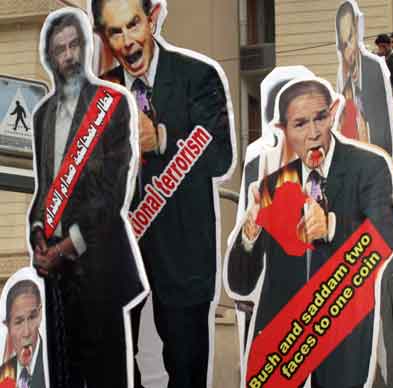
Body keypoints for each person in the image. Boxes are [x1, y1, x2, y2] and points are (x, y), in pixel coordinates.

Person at [91, 0, 235, 387]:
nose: (127, 42)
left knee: (186, 372)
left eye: (133, 25)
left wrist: (163, 139)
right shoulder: (101, 94)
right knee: (115, 370)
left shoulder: (198, 76)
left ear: (152, 19)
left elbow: (221, 156)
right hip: (121, 258)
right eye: (115, 32)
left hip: (185, 255)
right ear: (105, 37)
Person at [226, 79, 393, 388]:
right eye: (300, 124)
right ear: (284, 129)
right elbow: (241, 283)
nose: (314, 132)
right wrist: (248, 236)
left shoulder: (369, 168)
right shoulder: (272, 187)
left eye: (320, 117)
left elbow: (384, 238)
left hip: (341, 336)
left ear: (332, 114)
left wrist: (331, 227)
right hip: (284, 344)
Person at [29, 9, 145, 388]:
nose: (69, 56)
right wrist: (38, 237)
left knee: (107, 378)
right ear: (50, 58)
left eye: (75, 45)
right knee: (64, 377)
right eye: (60, 49)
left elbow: (113, 194)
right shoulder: (42, 116)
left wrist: (67, 245)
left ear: (87, 48)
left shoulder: (112, 104)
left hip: (100, 269)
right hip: (58, 283)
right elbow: (43, 191)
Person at [336, 1, 393, 156]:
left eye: (350, 38)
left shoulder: (376, 67)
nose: (348, 50)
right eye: (343, 43)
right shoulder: (343, 81)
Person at [0, 280, 45, 388]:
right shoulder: (4, 373)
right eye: (18, 322)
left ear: (40, 315)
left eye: (32, 317)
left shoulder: (57, 365)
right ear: (8, 325)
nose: (26, 332)